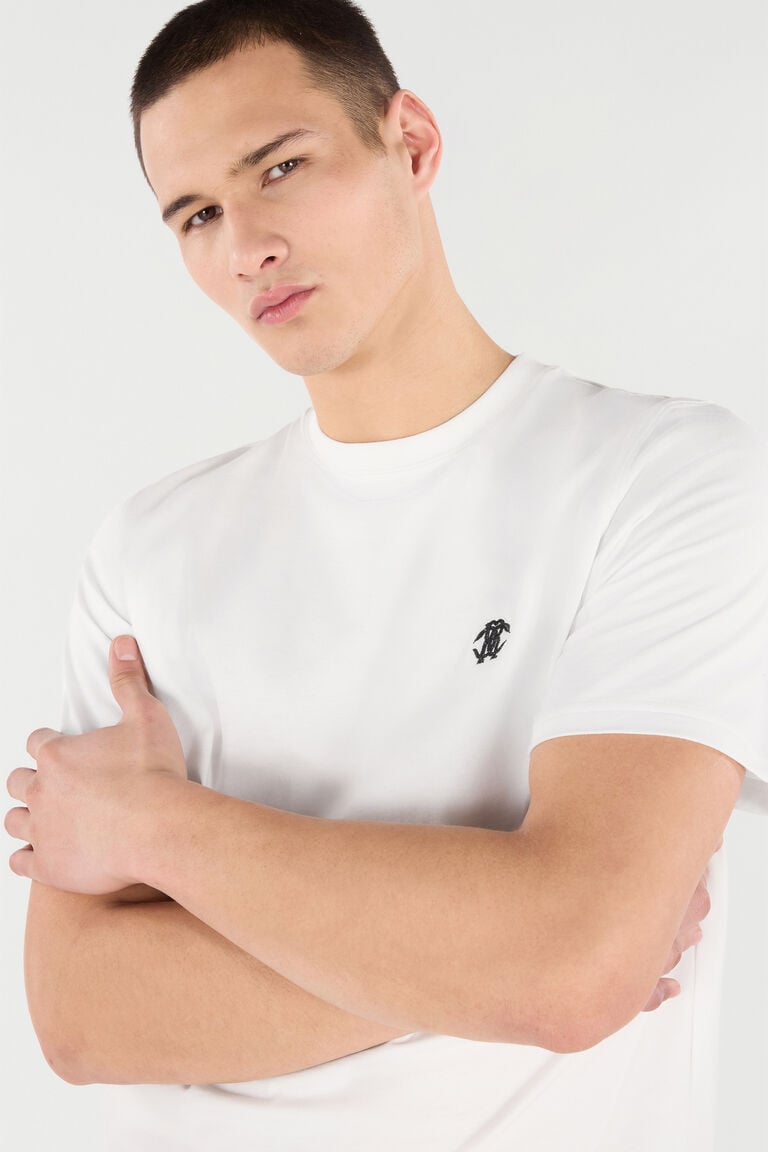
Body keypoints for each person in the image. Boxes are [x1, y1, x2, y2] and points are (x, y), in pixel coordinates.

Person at [5, 1, 767, 1149]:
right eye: (197, 214)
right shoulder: (147, 550)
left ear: (410, 142)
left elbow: (574, 965)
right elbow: (81, 1018)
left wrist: (154, 829)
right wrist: (504, 957)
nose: (245, 246)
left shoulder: (659, 474)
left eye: (281, 168)